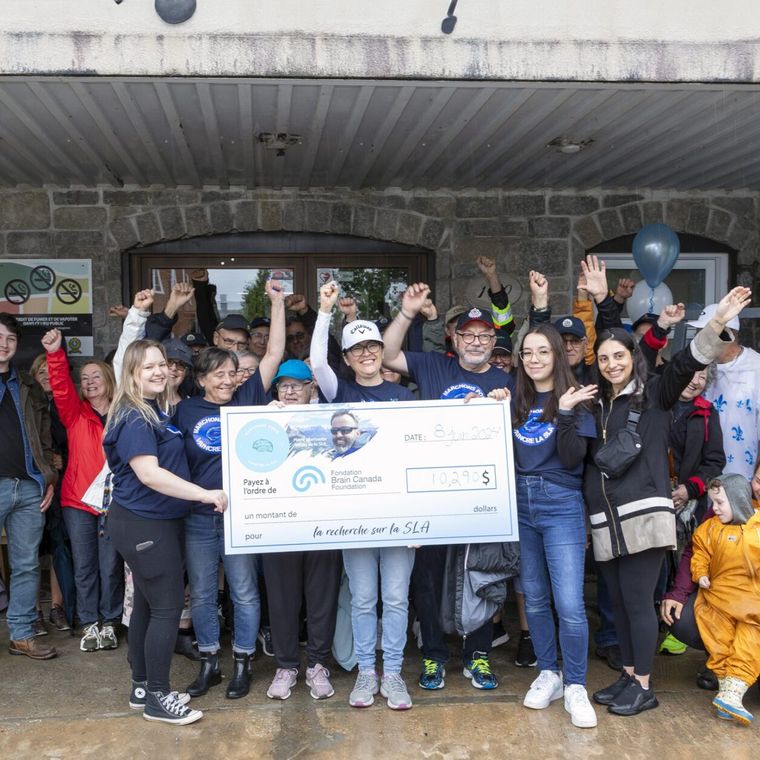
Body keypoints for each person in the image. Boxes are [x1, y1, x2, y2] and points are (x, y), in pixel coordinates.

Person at [586, 287, 751, 717]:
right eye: (604, 359)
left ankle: (643, 684)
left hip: (644, 518)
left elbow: (689, 360)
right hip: (607, 521)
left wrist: (717, 322)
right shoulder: (599, 402)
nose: (612, 364)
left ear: (634, 358)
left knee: (638, 603)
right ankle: (628, 673)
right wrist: (604, 303)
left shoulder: (656, 394)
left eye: (619, 357)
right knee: (620, 603)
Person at [382, 283, 513, 692]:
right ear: (454, 339)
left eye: (484, 336)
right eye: (468, 335)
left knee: (481, 576)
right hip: (431, 496)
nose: (475, 342)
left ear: (493, 342)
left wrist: (504, 406)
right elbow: (387, 354)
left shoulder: (506, 380)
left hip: (482, 498)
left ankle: (478, 654)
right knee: (429, 578)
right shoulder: (433, 366)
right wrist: (407, 313)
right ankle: (434, 655)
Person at [104, 339, 228, 725]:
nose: (159, 371)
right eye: (148, 367)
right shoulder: (135, 417)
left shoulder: (153, 410)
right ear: (131, 373)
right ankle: (158, 696)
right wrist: (204, 494)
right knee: (167, 609)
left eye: (161, 364)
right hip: (145, 523)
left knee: (147, 604)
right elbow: (149, 474)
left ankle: (142, 686)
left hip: (150, 522)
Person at [173, 278, 285, 701]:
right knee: (203, 592)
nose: (226, 380)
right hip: (199, 516)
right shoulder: (185, 410)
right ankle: (209, 663)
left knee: (243, 591)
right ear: (202, 378)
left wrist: (276, 304)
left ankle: (242, 662)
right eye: (218, 374)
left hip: (243, 516)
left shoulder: (247, 399)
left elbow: (273, 353)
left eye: (232, 374)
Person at [311, 281, 417, 710]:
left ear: (381, 350)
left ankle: (393, 674)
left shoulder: (403, 395)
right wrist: (325, 311)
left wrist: (422, 521)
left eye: (372, 346)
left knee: (396, 599)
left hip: (398, 515)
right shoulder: (339, 392)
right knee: (363, 598)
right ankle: (365, 674)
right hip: (353, 515)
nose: (367, 353)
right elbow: (318, 361)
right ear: (348, 357)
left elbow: (415, 456)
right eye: (357, 349)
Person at [511, 323, 599, 728]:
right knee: (534, 597)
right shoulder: (515, 396)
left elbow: (572, 458)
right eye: (527, 352)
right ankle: (549, 673)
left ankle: (576, 684)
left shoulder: (576, 398)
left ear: (557, 356)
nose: (534, 360)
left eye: (543, 351)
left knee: (569, 603)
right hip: (520, 503)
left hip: (560, 502)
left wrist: (563, 412)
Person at [259, 358, 342, 702]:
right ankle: (286, 666)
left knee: (322, 598)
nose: (290, 391)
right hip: (279, 525)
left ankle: (318, 665)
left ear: (312, 388)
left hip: (325, 523)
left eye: (297, 385)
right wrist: (263, 419)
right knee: (282, 600)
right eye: (283, 385)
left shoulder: (331, 418)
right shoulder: (262, 420)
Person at [42, 328, 124, 653]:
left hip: (116, 501)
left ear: (109, 379)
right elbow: (61, 388)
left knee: (111, 565)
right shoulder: (75, 414)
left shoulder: (123, 412)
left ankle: (110, 621)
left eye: (95, 376)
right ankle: (89, 622)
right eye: (85, 378)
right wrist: (55, 354)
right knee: (85, 565)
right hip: (78, 501)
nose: (89, 382)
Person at [0, 313, 58, 660]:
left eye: (10, 338)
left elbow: (45, 436)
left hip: (28, 488)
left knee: (26, 565)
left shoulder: (28, 386)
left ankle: (21, 635)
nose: (3, 344)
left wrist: (47, 477)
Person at [691, 473, 759, 725]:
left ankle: (731, 693)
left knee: (748, 642)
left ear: (738, 499)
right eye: (713, 502)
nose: (715, 508)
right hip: (717, 600)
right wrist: (700, 573)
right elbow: (700, 553)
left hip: (752, 604)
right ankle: (729, 694)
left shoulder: (757, 527)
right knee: (720, 642)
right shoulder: (709, 529)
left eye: (720, 502)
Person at [688, 303, 760, 480]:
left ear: (731, 334)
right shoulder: (693, 365)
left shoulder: (756, 367)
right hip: (697, 480)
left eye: (707, 333)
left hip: (742, 478)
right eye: (700, 333)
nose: (700, 339)